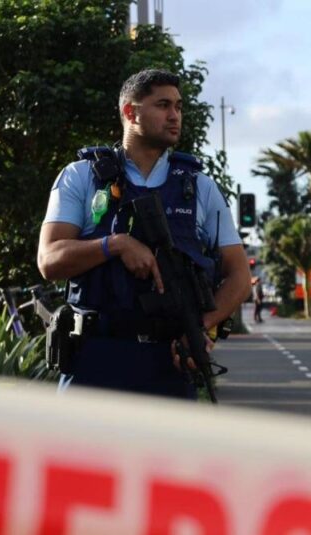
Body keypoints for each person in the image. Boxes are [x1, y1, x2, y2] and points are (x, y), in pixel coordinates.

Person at [36, 69, 251, 400]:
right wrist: (115, 245)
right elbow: (49, 260)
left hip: (168, 364)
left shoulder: (199, 187)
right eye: (163, 105)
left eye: (178, 107)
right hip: (94, 361)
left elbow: (239, 276)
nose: (174, 115)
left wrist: (201, 327)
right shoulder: (82, 177)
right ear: (130, 112)